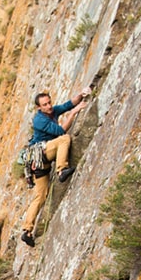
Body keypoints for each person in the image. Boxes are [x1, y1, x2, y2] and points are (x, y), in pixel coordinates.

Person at [19, 86, 91, 247]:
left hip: (38, 165)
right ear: (39, 108)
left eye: (49, 102)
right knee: (64, 139)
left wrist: (81, 94)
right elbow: (60, 131)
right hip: (41, 155)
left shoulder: (51, 112)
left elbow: (67, 105)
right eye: (44, 104)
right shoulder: (40, 120)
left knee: (41, 196)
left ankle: (27, 231)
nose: (49, 106)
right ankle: (61, 170)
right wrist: (74, 113)